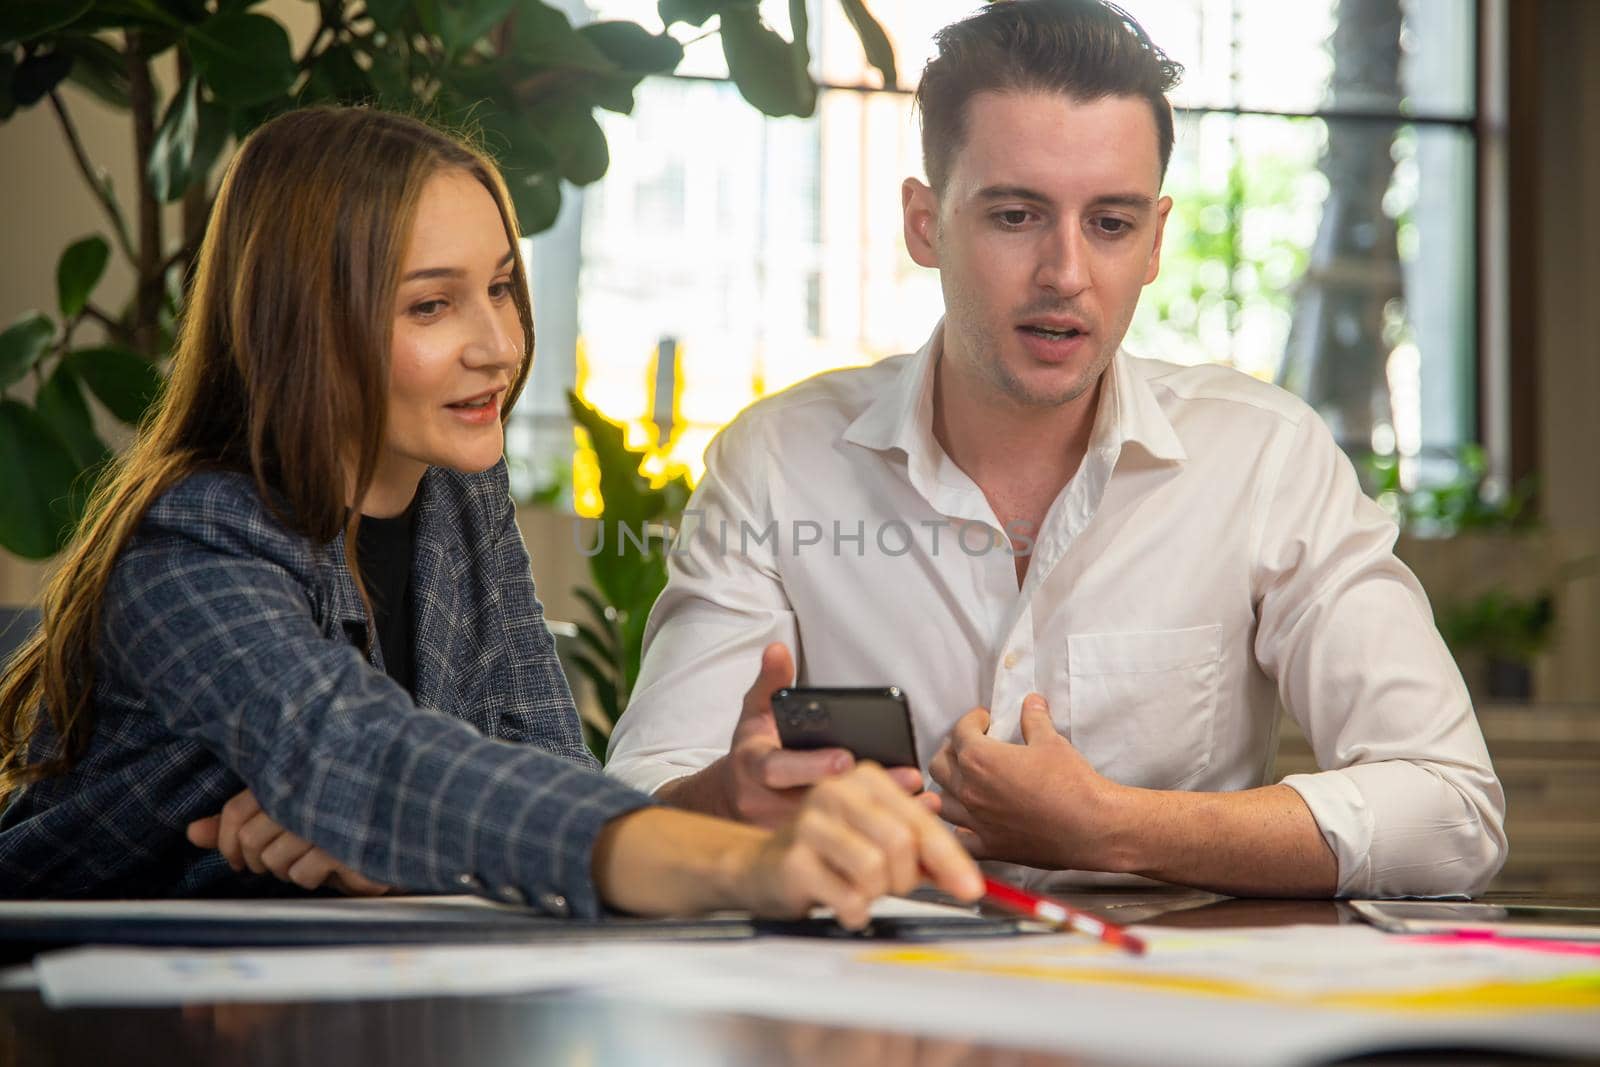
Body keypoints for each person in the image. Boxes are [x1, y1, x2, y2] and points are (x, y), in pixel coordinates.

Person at [605, 0, 1507, 899]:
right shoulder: (774, 464)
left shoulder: (1266, 460)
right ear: (925, 223)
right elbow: (630, 805)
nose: (1066, 273)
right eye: (1015, 215)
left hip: (1170, 1011)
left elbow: (1451, 809)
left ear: (1154, 239)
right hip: (869, 1007)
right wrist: (728, 797)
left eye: (1109, 224)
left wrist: (1113, 825)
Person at [0, 106, 982, 926]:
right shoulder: (190, 548)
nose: (498, 345)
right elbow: (362, 756)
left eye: (503, 288)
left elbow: (540, 770)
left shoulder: (454, 498)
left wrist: (397, 842)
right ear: (305, 320)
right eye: (431, 307)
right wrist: (742, 867)